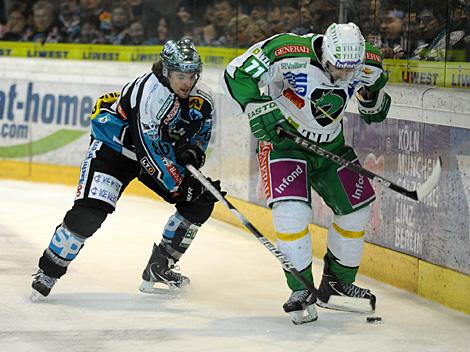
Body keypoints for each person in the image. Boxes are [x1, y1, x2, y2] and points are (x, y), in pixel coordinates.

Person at [223, 23, 391, 324]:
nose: (343, 76)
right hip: (284, 142)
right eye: (337, 68)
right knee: (291, 212)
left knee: (356, 211)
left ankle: (337, 283)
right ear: (325, 52)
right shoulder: (289, 49)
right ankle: (301, 288)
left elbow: (375, 87)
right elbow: (238, 71)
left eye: (350, 71)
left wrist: (372, 99)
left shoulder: (368, 63)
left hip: (331, 147)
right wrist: (255, 104)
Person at [31, 38, 222, 299]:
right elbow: (150, 152)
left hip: (153, 154)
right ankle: (49, 271)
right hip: (114, 150)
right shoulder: (150, 94)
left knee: (199, 203)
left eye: (192, 75)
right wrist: (182, 186)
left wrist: (192, 152)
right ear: (166, 72)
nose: (187, 82)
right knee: (90, 213)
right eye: (180, 76)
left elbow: (201, 136)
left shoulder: (204, 99)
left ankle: (160, 267)